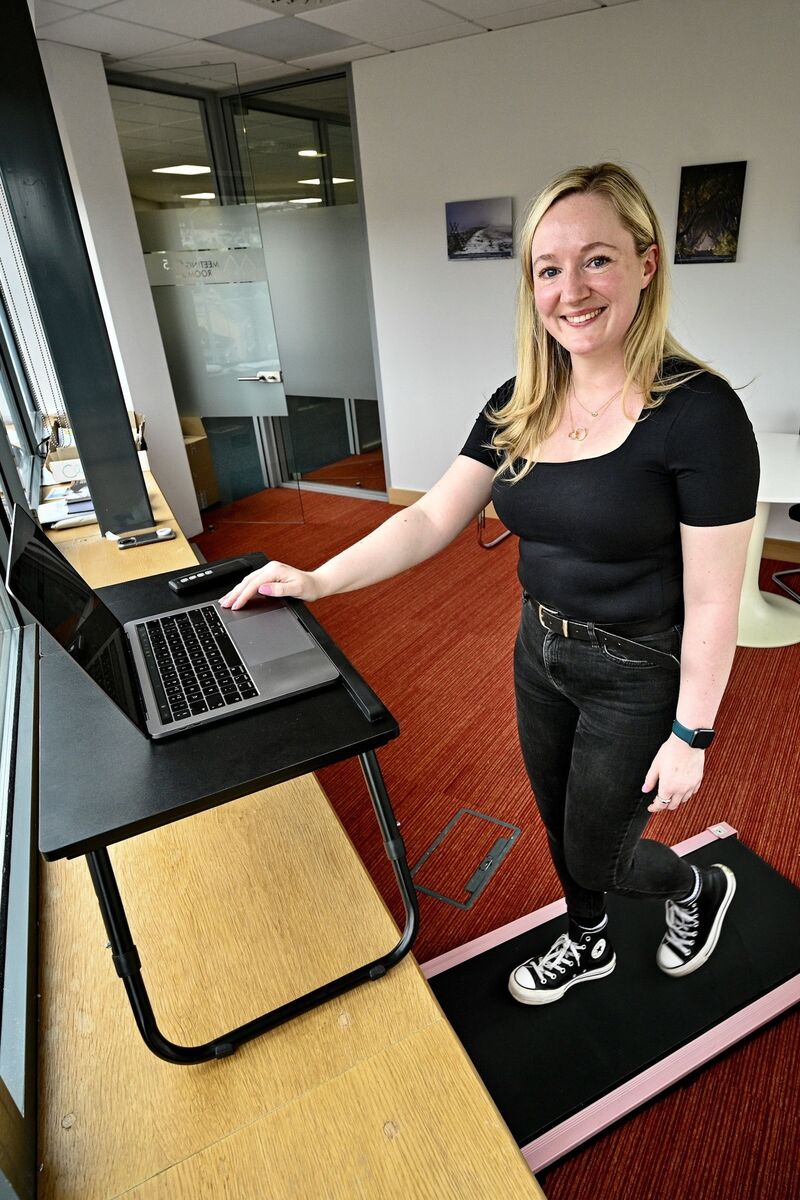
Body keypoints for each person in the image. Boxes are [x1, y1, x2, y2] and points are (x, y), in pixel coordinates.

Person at [221, 162, 759, 1006]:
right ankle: (589, 942)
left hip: (637, 666)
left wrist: (693, 732)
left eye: (597, 260)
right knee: (556, 817)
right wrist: (317, 578)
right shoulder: (521, 401)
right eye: (549, 268)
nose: (571, 290)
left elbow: (715, 598)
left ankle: (695, 890)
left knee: (600, 849)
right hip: (539, 648)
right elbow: (432, 518)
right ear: (531, 285)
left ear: (647, 264)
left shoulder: (700, 413)